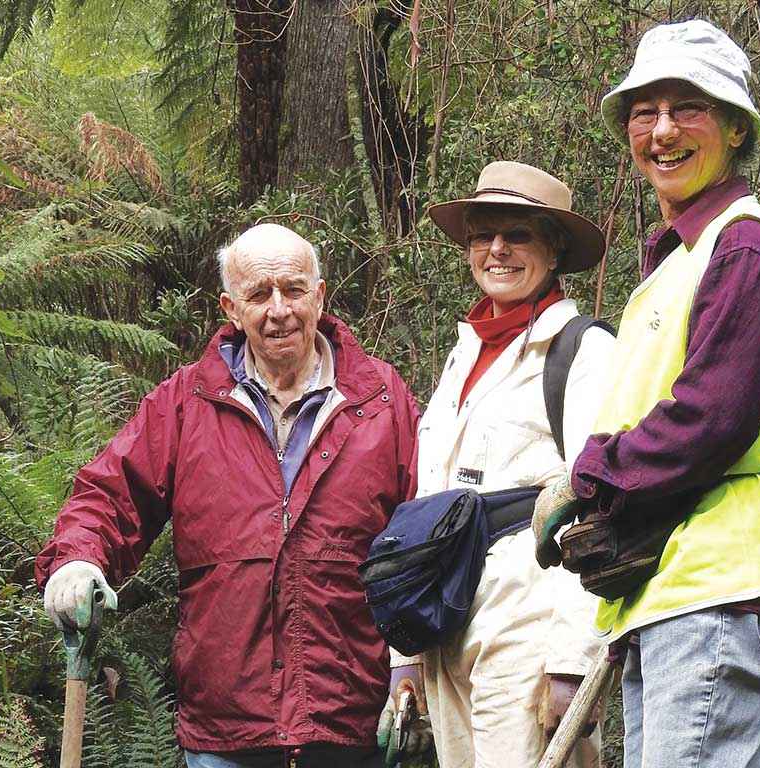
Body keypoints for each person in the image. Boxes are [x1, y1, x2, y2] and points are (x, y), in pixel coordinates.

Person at [532, 20, 760, 768]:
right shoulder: (680, 262)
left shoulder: (746, 248)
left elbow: (709, 420)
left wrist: (589, 477)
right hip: (675, 595)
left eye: (687, 107)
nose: (662, 131)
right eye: (645, 112)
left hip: (721, 591)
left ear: (735, 128)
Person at [36, 223, 420, 768]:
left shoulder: (382, 401)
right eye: (259, 294)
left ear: (319, 296)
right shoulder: (186, 402)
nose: (279, 310)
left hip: (350, 721)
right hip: (226, 726)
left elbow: (426, 535)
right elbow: (110, 495)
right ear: (231, 309)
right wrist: (78, 560)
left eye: (293, 289)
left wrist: (414, 665)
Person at [384, 161, 616, 767]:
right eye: (483, 234)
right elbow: (428, 502)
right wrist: (406, 657)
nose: (497, 250)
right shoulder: (463, 355)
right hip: (447, 627)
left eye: (518, 235)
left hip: (529, 630)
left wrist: (573, 661)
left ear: (554, 249)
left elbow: (600, 508)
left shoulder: (584, 351)